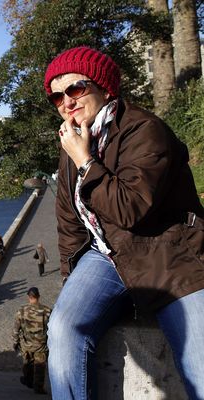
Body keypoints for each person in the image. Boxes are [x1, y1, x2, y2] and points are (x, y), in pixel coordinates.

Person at [44, 46, 204, 399]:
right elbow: (69, 220)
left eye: (76, 89)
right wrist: (73, 284)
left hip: (166, 252)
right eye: (57, 96)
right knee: (62, 327)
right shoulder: (73, 141)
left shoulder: (144, 130)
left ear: (104, 87)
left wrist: (85, 161)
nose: (66, 102)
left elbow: (131, 208)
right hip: (106, 255)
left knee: (201, 367)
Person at [12, 287, 51, 395]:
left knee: (27, 363)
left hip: (26, 344)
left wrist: (15, 342)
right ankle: (38, 388)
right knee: (40, 366)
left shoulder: (21, 311)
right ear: (38, 296)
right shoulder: (47, 311)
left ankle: (28, 380)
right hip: (41, 345)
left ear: (28, 297)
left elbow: (16, 329)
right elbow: (52, 329)